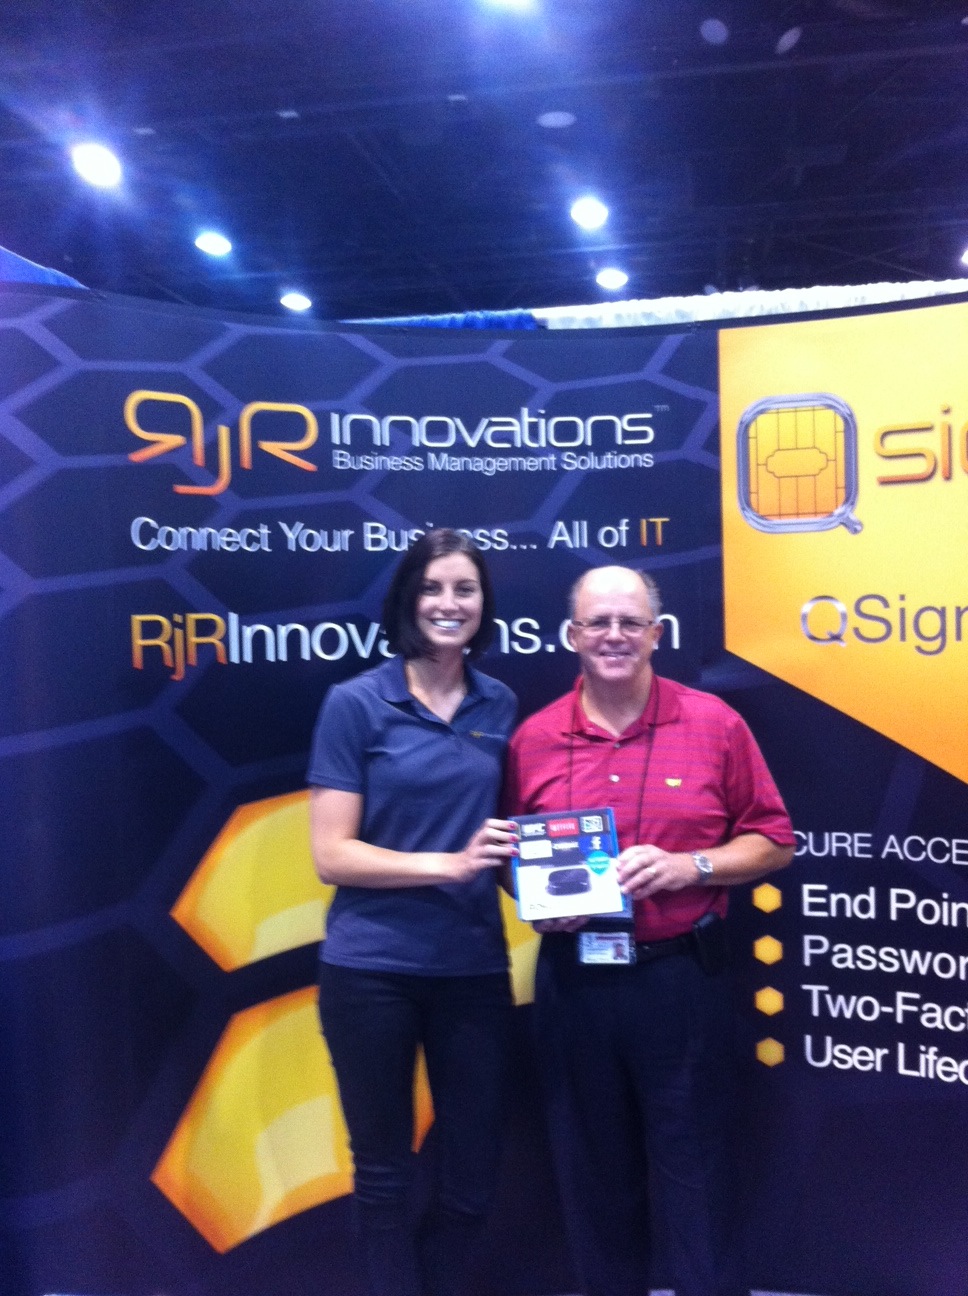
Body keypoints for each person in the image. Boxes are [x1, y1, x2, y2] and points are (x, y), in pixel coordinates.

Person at [503, 565, 795, 1296]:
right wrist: (534, 902)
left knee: (698, 1174)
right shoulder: (533, 739)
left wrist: (691, 866)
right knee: (593, 1179)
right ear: (572, 636)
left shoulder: (714, 723)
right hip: (574, 983)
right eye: (597, 622)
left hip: (679, 979)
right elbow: (513, 861)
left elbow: (774, 841)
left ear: (657, 635)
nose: (614, 636)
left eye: (630, 622)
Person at [307, 529, 519, 1296]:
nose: (448, 603)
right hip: (371, 974)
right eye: (432, 588)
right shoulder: (356, 704)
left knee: (473, 1176)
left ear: (483, 604)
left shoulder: (501, 704)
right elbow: (332, 855)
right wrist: (447, 864)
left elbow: (508, 840)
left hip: (472, 969)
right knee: (384, 1174)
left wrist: (564, 895)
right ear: (407, 599)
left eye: (465, 589)